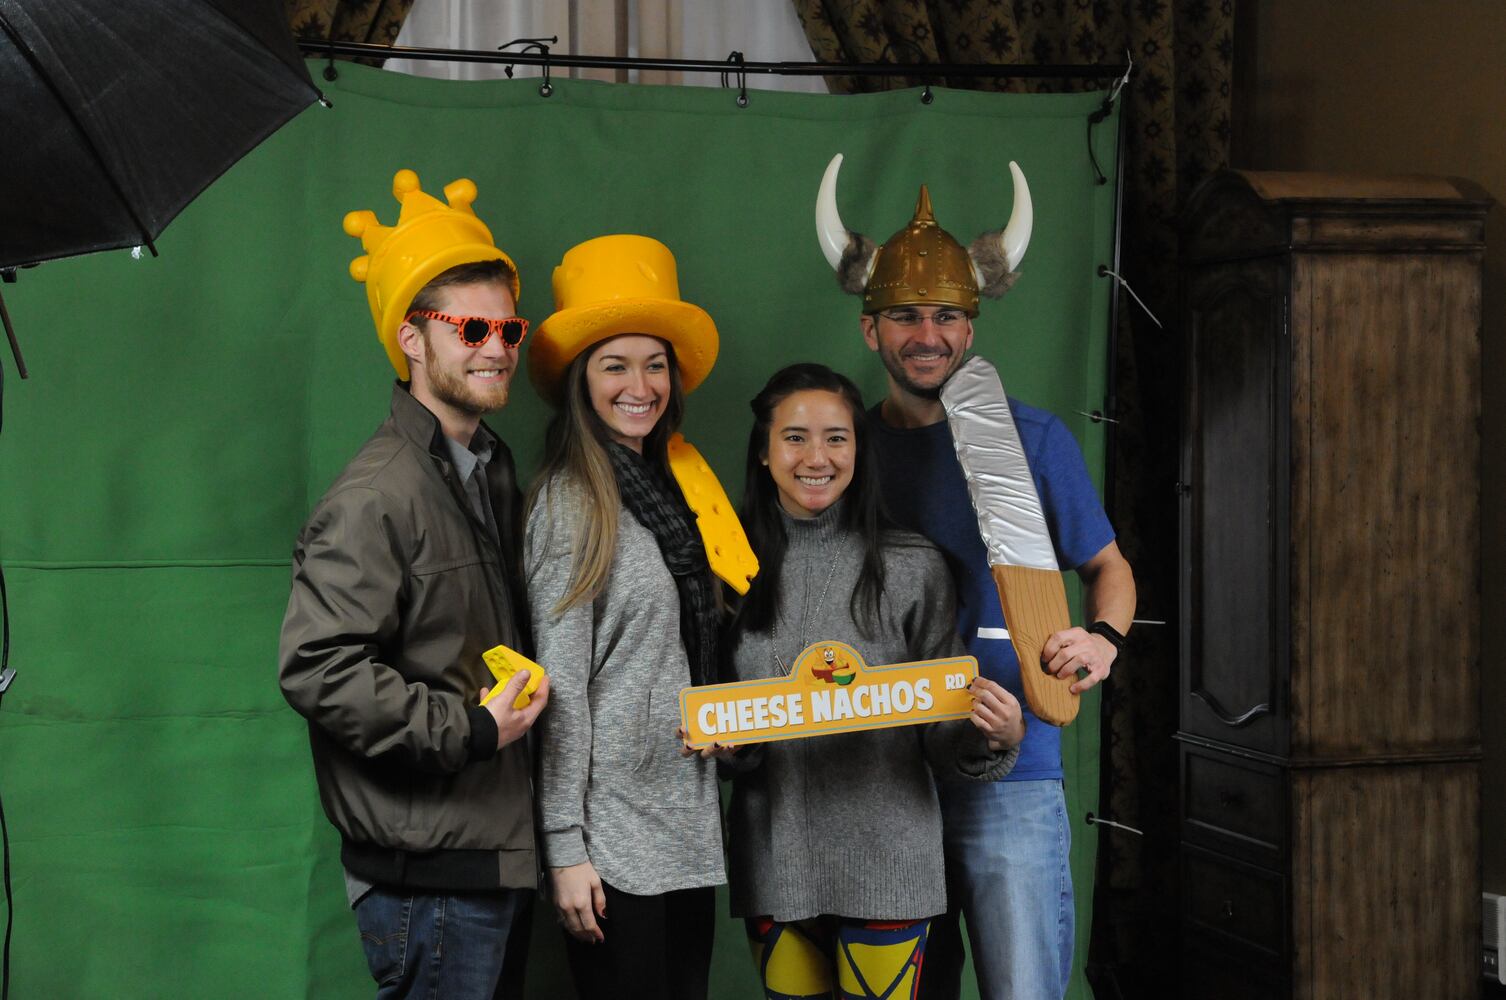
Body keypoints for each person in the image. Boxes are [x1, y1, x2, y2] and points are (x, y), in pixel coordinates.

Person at [815, 159, 1137, 1000]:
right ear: (870, 329)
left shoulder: (1033, 439)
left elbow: (1108, 567)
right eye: (908, 316)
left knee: (1021, 989)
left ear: (973, 326)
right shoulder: (839, 450)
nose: (930, 334)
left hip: (1015, 769)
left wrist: (1101, 639)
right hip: (887, 772)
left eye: (949, 316)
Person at [278, 170, 548, 1000]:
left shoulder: (487, 470)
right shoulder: (377, 494)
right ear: (411, 338)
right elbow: (318, 668)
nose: (497, 346)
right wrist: (466, 729)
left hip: (491, 857)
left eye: (509, 327)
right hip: (427, 880)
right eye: (470, 326)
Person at [723, 362, 1026, 1000]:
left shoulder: (911, 566)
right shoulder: (728, 569)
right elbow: (717, 719)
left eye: (837, 437)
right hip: (776, 859)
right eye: (795, 437)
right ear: (763, 451)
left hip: (892, 862)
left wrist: (991, 737)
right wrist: (724, 747)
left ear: (859, 450)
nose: (817, 457)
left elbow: (941, 729)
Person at [523, 234, 738, 1000]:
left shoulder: (680, 487)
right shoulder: (571, 501)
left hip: (686, 818)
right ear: (583, 380)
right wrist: (565, 846)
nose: (638, 385)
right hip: (612, 836)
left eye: (654, 364)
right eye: (615, 364)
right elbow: (561, 687)